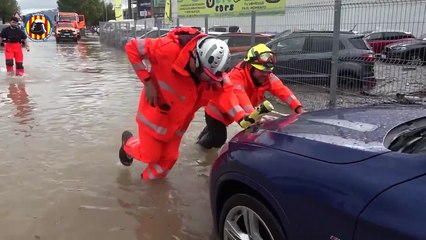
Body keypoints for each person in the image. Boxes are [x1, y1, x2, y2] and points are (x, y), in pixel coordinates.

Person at [120, 27, 246, 181]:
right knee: (151, 155)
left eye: (214, 78)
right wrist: (147, 82)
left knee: (169, 159)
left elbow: (226, 93)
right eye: (207, 77)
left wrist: (242, 118)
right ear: (196, 59)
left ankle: (146, 185)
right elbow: (131, 47)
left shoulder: (215, 75)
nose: (210, 82)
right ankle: (127, 143)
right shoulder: (167, 49)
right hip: (154, 116)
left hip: (178, 124)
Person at [197, 43, 305, 149]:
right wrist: (254, 117)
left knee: (212, 133)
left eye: (268, 71)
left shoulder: (267, 77)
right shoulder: (236, 76)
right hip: (217, 112)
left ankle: (201, 138)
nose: (265, 74)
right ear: (250, 66)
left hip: (237, 113)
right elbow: (241, 98)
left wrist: (298, 108)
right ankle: (199, 150)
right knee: (218, 139)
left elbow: (283, 91)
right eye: (262, 71)